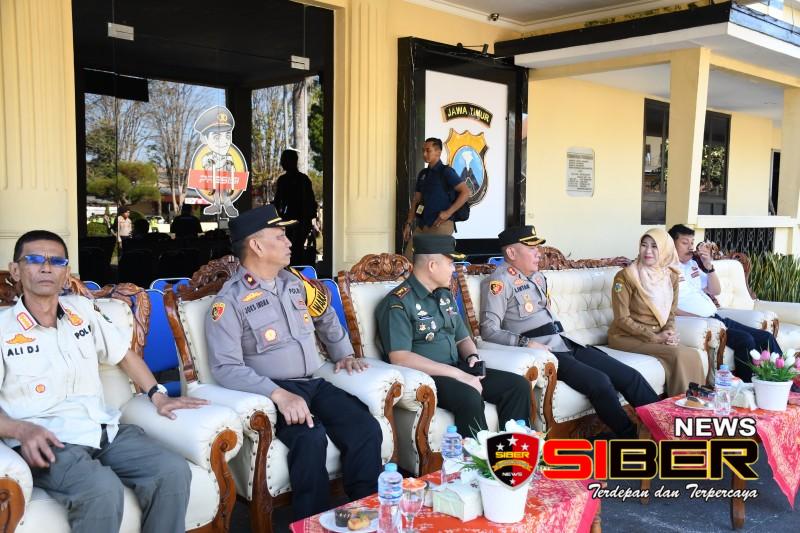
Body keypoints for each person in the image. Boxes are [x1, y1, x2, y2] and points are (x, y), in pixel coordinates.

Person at [0, 230, 208, 533]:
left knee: (172, 471)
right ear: (16, 270)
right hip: (45, 440)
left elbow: (124, 355)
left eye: (56, 261)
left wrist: (157, 394)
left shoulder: (82, 311)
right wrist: (21, 430)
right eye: (34, 259)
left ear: (66, 273)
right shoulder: (3, 329)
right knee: (101, 490)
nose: (46, 268)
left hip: (101, 428)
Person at [204, 204, 381, 520]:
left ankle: (365, 513)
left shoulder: (294, 283)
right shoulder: (229, 302)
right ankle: (314, 524)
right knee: (310, 438)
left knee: (364, 426)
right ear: (257, 246)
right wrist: (278, 394)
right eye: (280, 236)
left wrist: (344, 354)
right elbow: (225, 368)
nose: (289, 242)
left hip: (313, 383)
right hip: (273, 391)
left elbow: (325, 315)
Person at [480, 226, 658, 438]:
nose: (539, 253)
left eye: (538, 248)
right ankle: (630, 438)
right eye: (531, 248)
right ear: (511, 253)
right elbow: (489, 330)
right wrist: (525, 343)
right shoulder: (499, 282)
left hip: (566, 343)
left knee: (630, 376)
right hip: (547, 353)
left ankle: (664, 428)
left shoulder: (537, 277)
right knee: (600, 383)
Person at [375, 234, 531, 437]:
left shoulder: (445, 295)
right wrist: (459, 375)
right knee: (469, 396)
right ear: (432, 265)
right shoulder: (398, 302)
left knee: (517, 386)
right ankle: (477, 455)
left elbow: (463, 338)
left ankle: (515, 450)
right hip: (429, 377)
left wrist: (472, 356)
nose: (454, 269)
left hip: (457, 367)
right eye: (450, 263)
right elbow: (400, 357)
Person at [669, 224, 782, 382]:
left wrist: (709, 266)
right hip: (703, 323)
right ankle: (747, 387)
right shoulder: (666, 270)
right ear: (671, 244)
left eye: (692, 243)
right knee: (745, 340)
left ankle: (782, 382)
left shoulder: (693, 265)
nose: (690, 247)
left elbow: (715, 290)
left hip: (716, 317)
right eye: (684, 243)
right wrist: (699, 319)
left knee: (766, 337)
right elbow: (669, 308)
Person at [609, 228, 706, 397]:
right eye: (644, 245)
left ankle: (698, 403)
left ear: (665, 249)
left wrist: (669, 332)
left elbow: (671, 312)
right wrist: (655, 337)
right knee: (678, 354)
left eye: (655, 246)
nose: (648, 251)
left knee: (693, 354)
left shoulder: (671, 276)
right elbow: (621, 319)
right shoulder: (625, 277)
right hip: (626, 337)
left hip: (658, 335)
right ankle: (680, 406)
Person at [402, 138, 470, 258]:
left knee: (435, 262)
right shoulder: (423, 174)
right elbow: (416, 200)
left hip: (441, 225)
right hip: (423, 225)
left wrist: (448, 213)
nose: (424, 154)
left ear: (438, 152)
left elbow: (465, 192)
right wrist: (408, 223)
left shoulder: (447, 172)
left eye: (428, 150)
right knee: (408, 259)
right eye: (423, 150)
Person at [272, 149, 317, 266]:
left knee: (294, 250)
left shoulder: (290, 180)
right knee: (295, 250)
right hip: (297, 221)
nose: (282, 163)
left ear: (292, 161)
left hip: (296, 221)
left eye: (284, 160)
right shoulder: (301, 179)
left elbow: (278, 202)